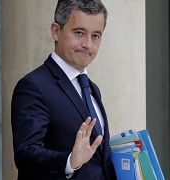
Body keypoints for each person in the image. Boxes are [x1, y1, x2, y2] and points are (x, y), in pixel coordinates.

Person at [11, 0, 116, 179]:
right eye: (79, 33)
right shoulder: (33, 86)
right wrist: (69, 162)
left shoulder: (92, 88)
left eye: (96, 36)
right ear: (56, 31)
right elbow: (25, 154)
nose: (88, 44)